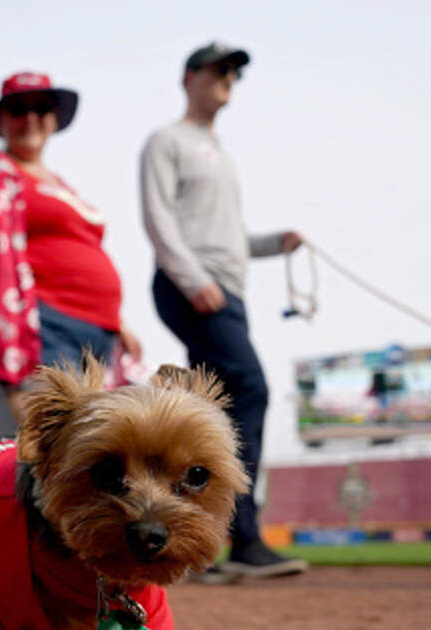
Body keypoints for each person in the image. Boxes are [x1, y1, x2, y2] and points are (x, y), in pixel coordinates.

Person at [140, 43, 307, 581]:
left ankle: (197, 541)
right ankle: (244, 536)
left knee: (214, 408)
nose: (229, 78)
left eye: (234, 72)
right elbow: (159, 219)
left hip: (227, 288)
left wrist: (275, 244)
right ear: (188, 77)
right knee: (250, 390)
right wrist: (193, 280)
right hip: (194, 286)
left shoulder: (222, 155)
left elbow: (230, 236)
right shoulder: (167, 141)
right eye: (218, 70)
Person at [0, 72, 141, 417]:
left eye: (40, 108)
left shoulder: (62, 186)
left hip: (99, 330)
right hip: (46, 325)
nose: (31, 118)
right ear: (1, 120)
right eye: (18, 110)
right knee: (55, 433)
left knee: (98, 435)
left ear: (53, 118)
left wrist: (119, 322)